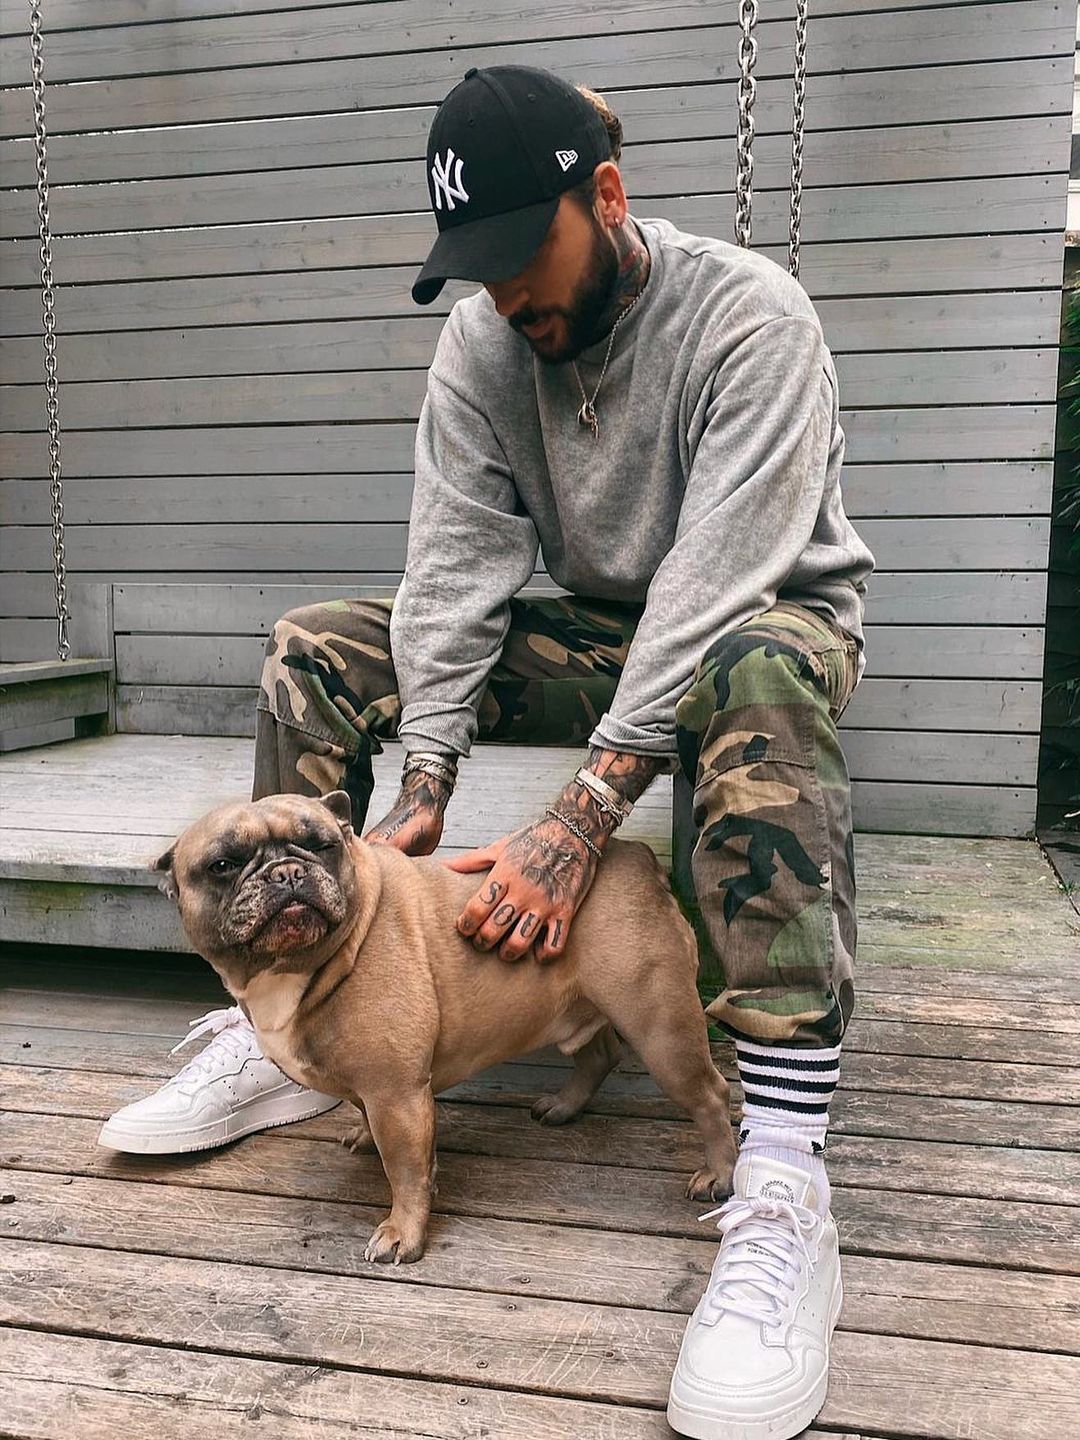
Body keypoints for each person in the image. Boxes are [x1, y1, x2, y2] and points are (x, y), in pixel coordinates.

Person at [100, 65, 874, 1440]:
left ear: (609, 198)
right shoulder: (484, 341)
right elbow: (456, 571)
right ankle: (293, 1023)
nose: (505, 293)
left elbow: (713, 583)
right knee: (323, 641)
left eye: (525, 254)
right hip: (582, 624)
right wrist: (426, 788)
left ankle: (778, 1164)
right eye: (477, 266)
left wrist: (578, 824)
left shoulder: (751, 319)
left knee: (760, 672)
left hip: (758, 610)